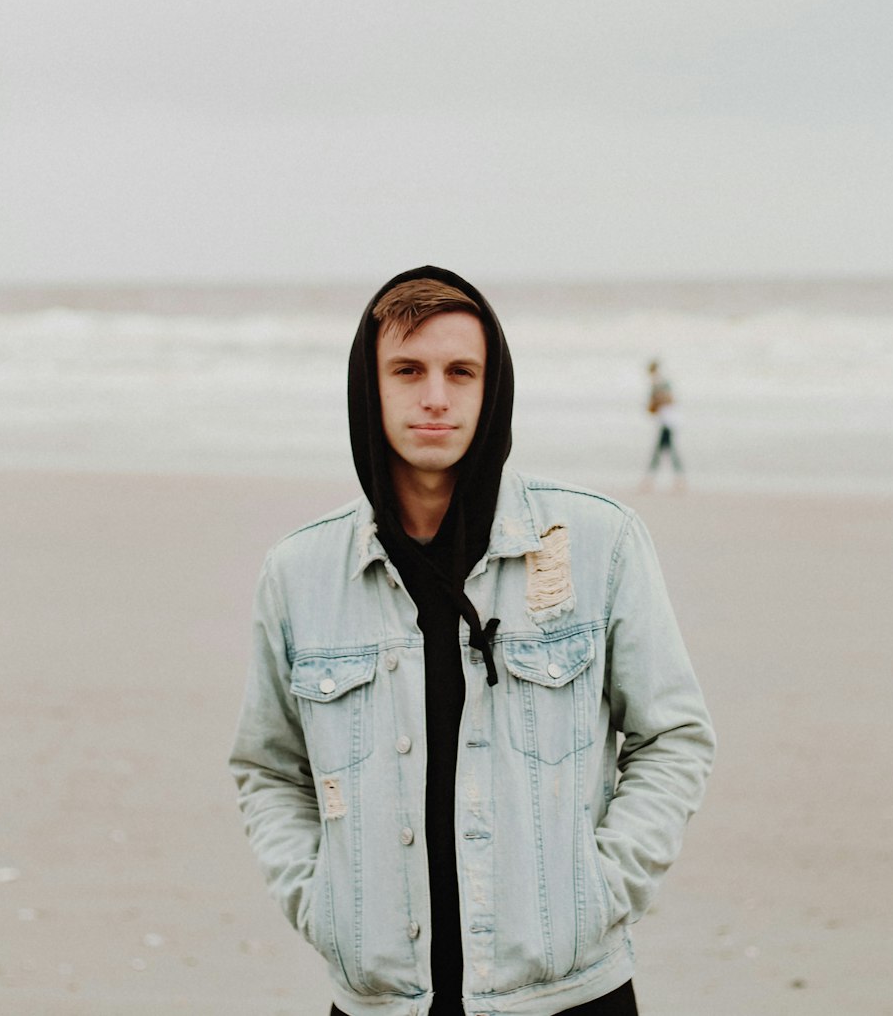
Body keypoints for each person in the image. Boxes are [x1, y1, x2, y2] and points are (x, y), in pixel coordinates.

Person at [230, 267, 714, 1016]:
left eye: (461, 372)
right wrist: (321, 904)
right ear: (371, 387)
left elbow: (673, 737)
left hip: (568, 994)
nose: (434, 397)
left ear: (494, 389)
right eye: (407, 370)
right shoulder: (300, 573)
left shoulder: (597, 542)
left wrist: (602, 891)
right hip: (382, 1001)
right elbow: (268, 767)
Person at [640, 360, 685, 491]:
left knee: (663, 452)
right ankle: (677, 480)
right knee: (666, 452)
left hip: (668, 422)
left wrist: (658, 400)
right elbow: (651, 408)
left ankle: (650, 481)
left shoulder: (662, 384)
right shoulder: (656, 385)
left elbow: (670, 400)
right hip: (664, 421)